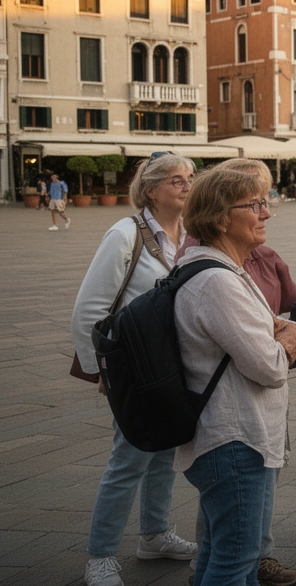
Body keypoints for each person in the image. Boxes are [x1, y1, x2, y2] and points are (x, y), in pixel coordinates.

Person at [71, 153, 199, 586]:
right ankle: (100, 556)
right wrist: (101, 373)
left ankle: (154, 534)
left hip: (174, 364)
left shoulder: (190, 233)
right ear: (151, 190)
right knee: (129, 459)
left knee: (164, 453)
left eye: (190, 178)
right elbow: (90, 306)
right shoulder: (125, 234)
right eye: (176, 180)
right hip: (136, 364)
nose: (186, 185)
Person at [175, 169, 296, 585]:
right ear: (219, 218)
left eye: (265, 202)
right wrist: (292, 336)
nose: (266, 213)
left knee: (221, 552)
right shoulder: (217, 282)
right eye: (254, 205)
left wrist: (281, 332)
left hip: (234, 438)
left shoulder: (222, 271)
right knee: (235, 560)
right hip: (234, 441)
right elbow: (269, 366)